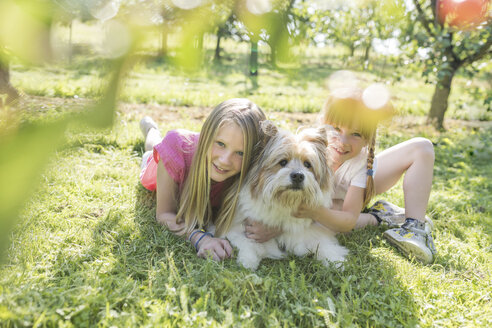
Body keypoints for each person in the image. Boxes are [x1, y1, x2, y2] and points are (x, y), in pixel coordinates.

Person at [244, 88, 437, 264]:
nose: (342, 142)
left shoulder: (360, 163)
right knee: (331, 209)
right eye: (336, 129)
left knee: (422, 147)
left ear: (367, 139)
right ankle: (379, 215)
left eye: (356, 134)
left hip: (343, 201)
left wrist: (314, 213)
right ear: (323, 124)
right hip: (329, 204)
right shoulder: (308, 147)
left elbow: (347, 220)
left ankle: (414, 226)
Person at [139, 98, 267, 261]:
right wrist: (200, 238)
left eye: (240, 153)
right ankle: (151, 129)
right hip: (163, 166)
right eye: (220, 143)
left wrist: (274, 229)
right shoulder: (175, 150)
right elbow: (164, 214)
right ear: (207, 135)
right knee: (152, 147)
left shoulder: (251, 170)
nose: (225, 160)